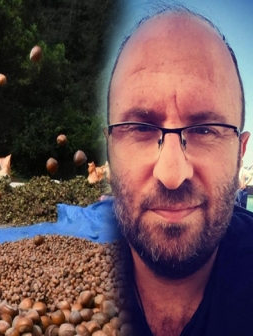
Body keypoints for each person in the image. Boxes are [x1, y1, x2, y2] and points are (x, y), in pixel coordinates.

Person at [104, 5, 253, 336]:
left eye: (204, 129)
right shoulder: (79, 248)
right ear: (110, 150)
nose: (172, 174)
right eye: (141, 127)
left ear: (240, 153)